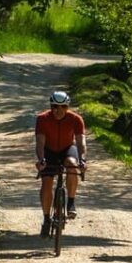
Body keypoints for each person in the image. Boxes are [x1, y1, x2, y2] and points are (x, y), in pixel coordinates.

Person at [35, 91, 88, 238]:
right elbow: (40, 143)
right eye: (55, 107)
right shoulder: (42, 119)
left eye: (63, 107)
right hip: (49, 150)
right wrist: (41, 160)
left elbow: (81, 142)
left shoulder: (76, 119)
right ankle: (46, 219)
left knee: (72, 164)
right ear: (51, 107)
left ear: (67, 107)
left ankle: (71, 202)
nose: (59, 111)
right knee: (47, 182)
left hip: (66, 148)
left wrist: (83, 159)